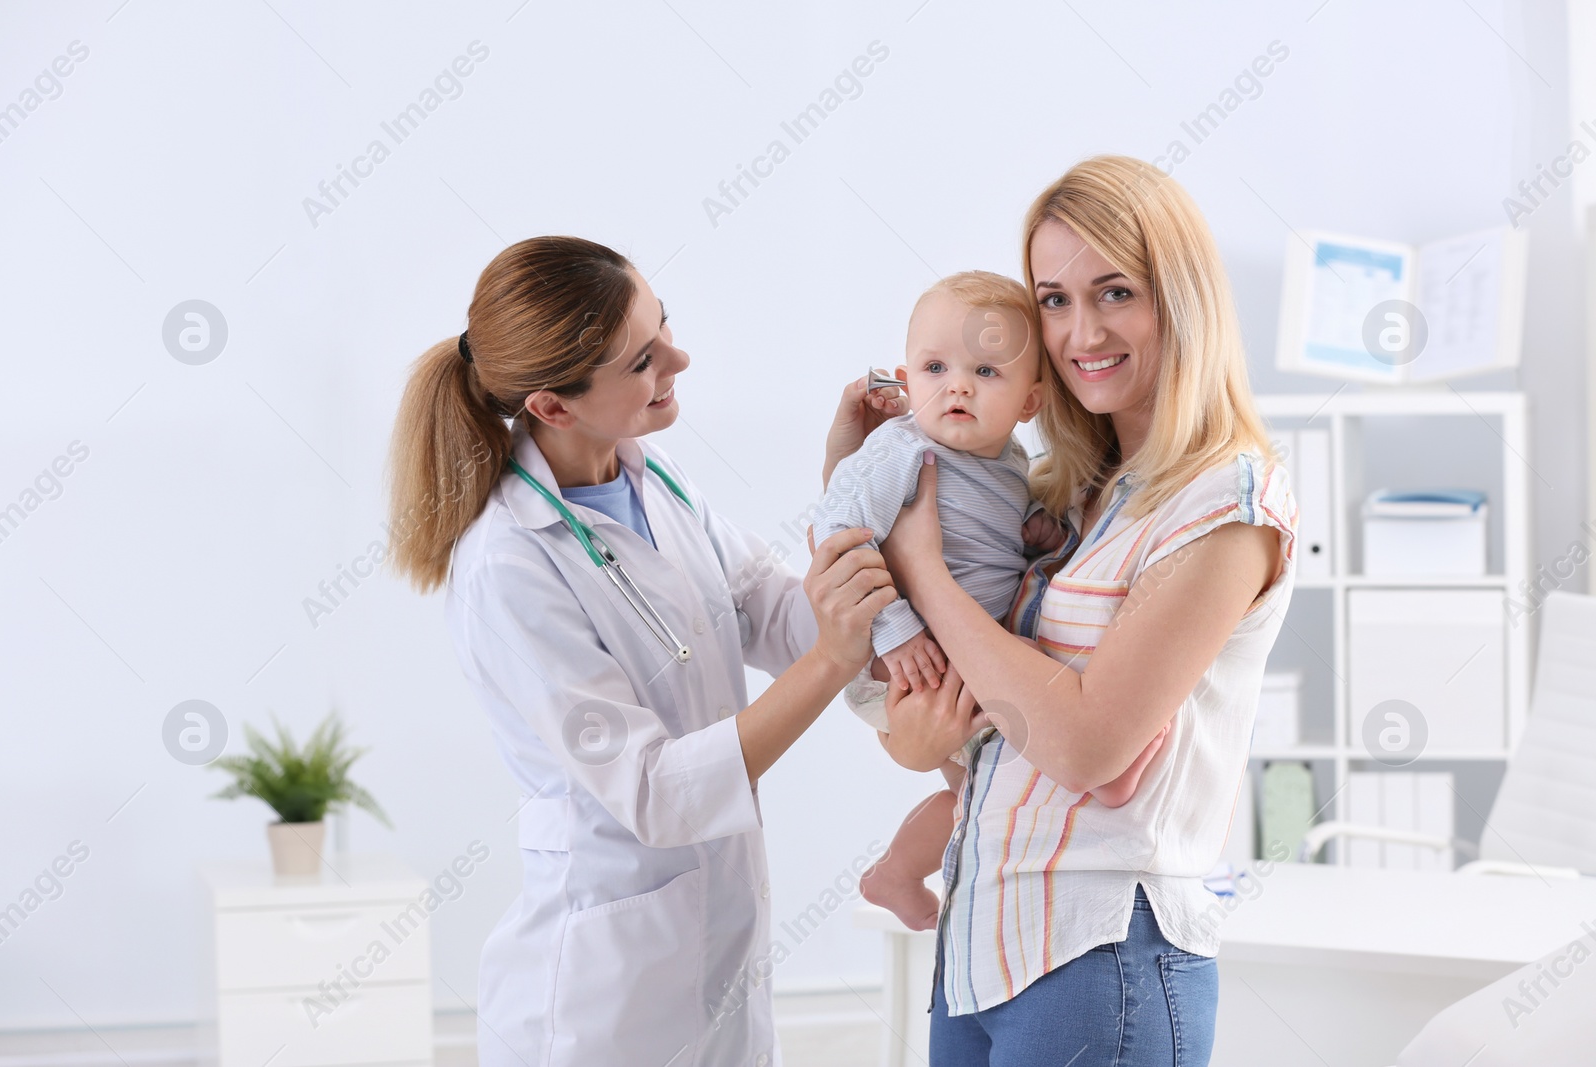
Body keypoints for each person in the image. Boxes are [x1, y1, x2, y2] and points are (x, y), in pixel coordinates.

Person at [385, 235, 902, 1066]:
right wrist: (832, 663)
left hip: (715, 949)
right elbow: (657, 792)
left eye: (666, 325)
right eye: (644, 358)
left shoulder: (651, 477)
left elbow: (777, 612)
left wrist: (851, 486)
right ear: (554, 406)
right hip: (602, 1001)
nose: (680, 357)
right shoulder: (510, 563)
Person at [848, 156, 1299, 1066]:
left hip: (1102, 959)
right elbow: (963, 724)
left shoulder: (1223, 504)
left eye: (1115, 292)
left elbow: (1090, 745)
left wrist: (922, 568)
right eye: (1053, 299)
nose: (1080, 330)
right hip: (979, 945)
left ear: (1181, 299)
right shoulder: (1066, 495)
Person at [809, 270, 1168, 932]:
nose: (958, 385)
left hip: (961, 651)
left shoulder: (1007, 463)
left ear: (1030, 400)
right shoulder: (902, 451)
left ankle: (896, 871)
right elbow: (836, 534)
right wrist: (894, 633)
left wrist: (1040, 529)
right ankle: (895, 870)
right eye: (935, 366)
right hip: (904, 661)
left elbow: (1006, 529)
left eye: (985, 371)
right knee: (996, 772)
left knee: (972, 789)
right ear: (905, 378)